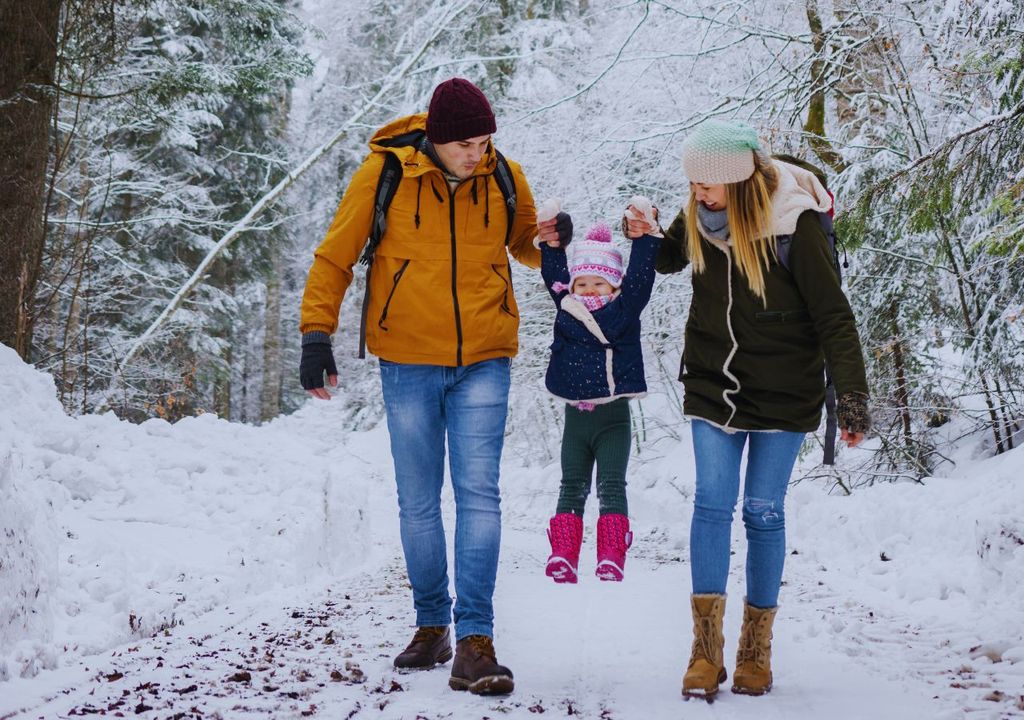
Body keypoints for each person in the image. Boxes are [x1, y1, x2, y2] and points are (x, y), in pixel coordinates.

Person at [298, 78, 560, 696]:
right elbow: (336, 255)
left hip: (485, 358)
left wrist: (547, 240)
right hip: (408, 359)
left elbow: (521, 244)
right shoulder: (385, 174)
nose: (478, 153)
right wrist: (316, 334)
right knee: (418, 502)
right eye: (466, 143)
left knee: (479, 496)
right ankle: (432, 622)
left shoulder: (504, 176)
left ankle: (475, 639)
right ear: (438, 141)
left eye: (485, 140)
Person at [625, 120, 870, 700]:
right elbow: (667, 260)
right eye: (691, 184)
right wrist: (643, 232)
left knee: (762, 510)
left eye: (706, 186)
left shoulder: (795, 223)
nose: (698, 193)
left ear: (736, 182)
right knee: (712, 503)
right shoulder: (700, 215)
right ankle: (705, 652)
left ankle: (755, 649)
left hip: (785, 391)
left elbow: (833, 313)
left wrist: (853, 402)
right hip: (714, 383)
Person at [537, 205, 661, 584]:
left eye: (599, 283)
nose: (589, 290)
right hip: (576, 420)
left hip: (613, 420)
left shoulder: (624, 309)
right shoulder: (567, 307)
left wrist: (644, 239)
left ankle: (611, 555)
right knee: (571, 484)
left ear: (614, 286)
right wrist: (552, 243)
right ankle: (563, 555)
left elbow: (641, 277)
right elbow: (554, 273)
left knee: (611, 485)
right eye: (582, 283)